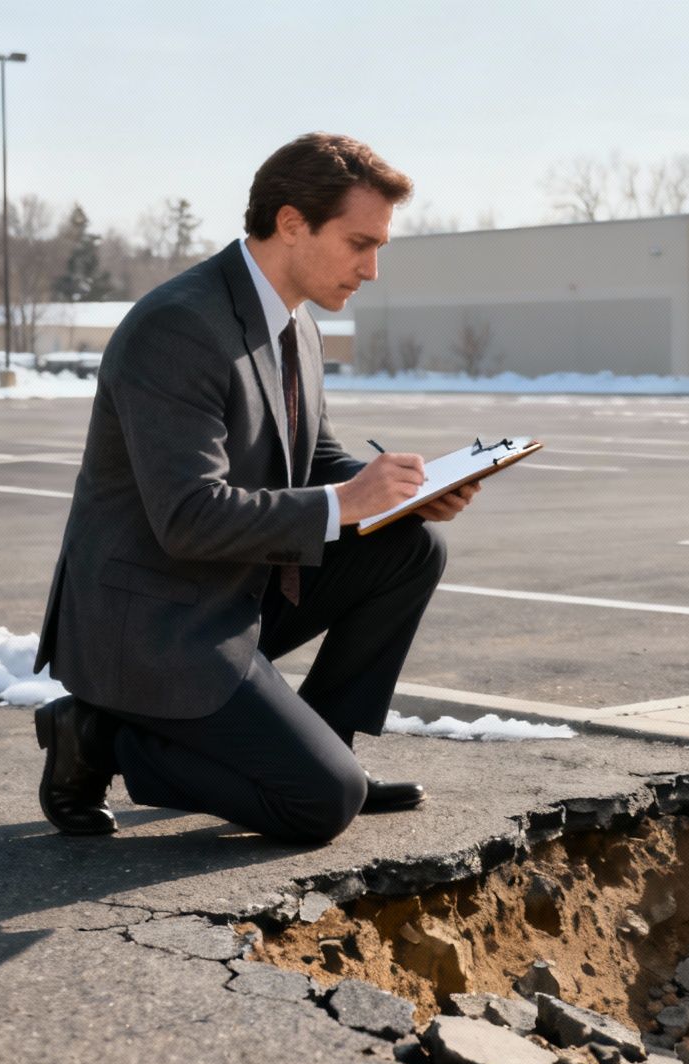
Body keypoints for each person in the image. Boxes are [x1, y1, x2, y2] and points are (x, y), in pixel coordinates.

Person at [29, 133, 477, 843]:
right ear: (292, 222)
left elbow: (315, 456)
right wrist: (344, 503)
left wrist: (395, 493)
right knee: (316, 806)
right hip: (153, 622)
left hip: (229, 588)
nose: (372, 269)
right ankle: (97, 734)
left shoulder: (294, 323)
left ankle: (330, 749)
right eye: (360, 243)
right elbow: (188, 516)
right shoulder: (180, 326)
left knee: (412, 545)